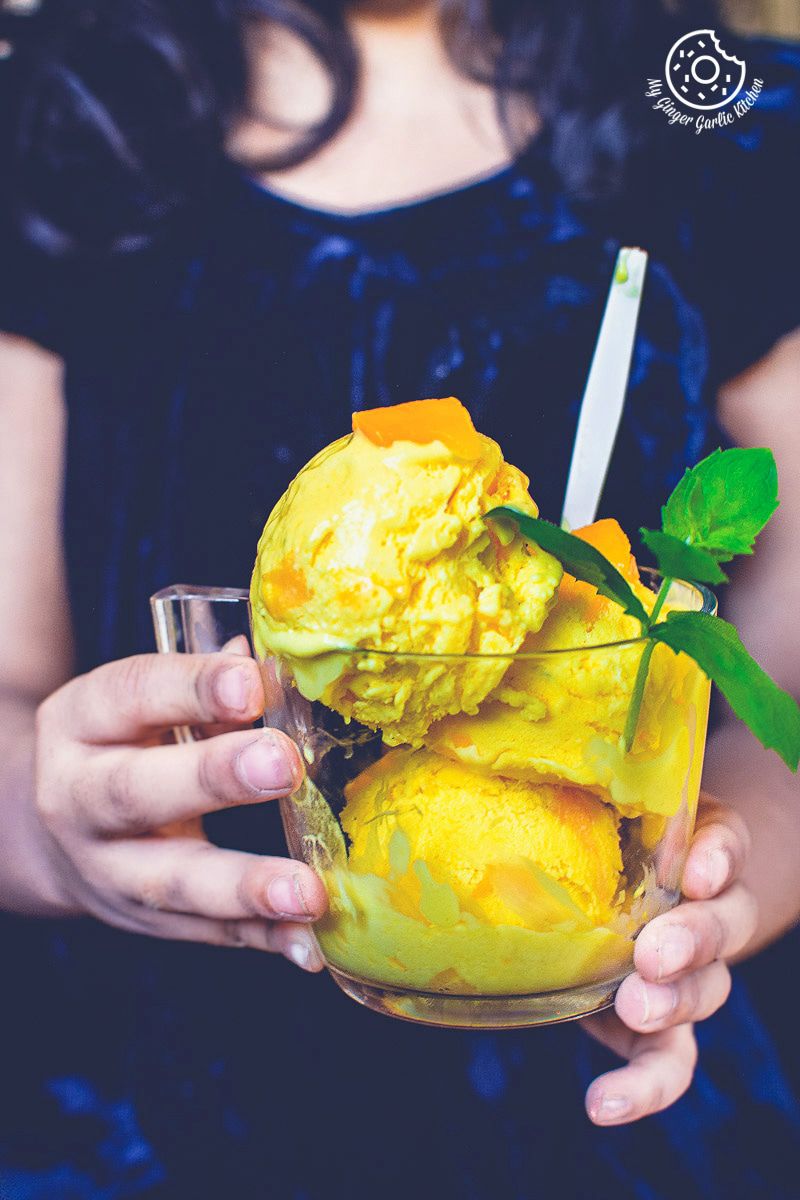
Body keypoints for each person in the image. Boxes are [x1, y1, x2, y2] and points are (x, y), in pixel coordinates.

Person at [1, 0, 799, 1195]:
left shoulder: (726, 116)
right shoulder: (55, 122)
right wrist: (49, 824)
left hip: (626, 1112)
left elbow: (777, 700)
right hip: (143, 1116)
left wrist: (723, 880)